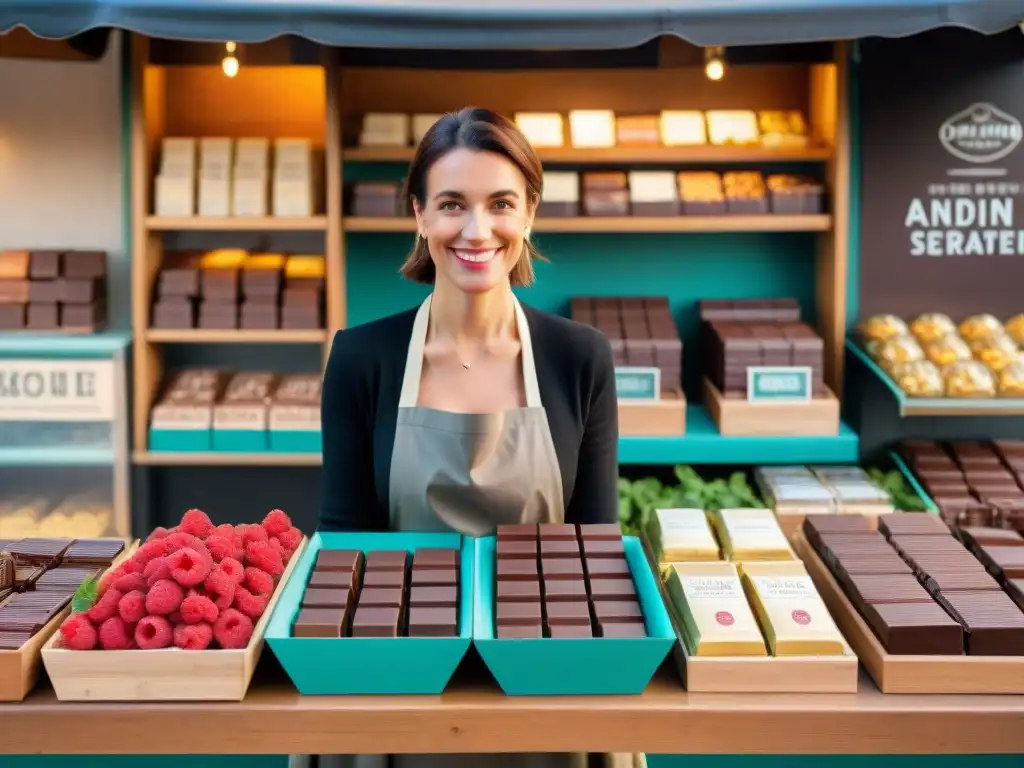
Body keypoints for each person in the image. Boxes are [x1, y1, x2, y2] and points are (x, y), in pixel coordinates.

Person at [310, 106, 619, 768]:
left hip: (548, 700)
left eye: (500, 203)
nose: (476, 230)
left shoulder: (579, 358)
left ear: (529, 212)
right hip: (394, 698)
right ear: (419, 215)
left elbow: (596, 552)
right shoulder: (362, 360)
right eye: (452, 204)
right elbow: (344, 550)